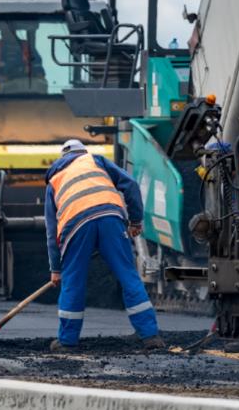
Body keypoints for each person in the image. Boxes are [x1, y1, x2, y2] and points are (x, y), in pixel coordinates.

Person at [45, 139, 164, 352]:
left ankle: (67, 341)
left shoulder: (54, 179)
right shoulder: (96, 160)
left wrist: (56, 269)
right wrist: (135, 221)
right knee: (129, 276)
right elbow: (131, 185)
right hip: (110, 217)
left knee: (73, 281)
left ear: (62, 158)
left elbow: (52, 230)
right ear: (83, 152)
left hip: (75, 225)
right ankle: (150, 336)